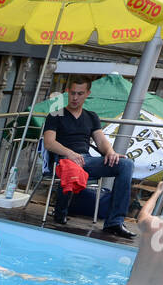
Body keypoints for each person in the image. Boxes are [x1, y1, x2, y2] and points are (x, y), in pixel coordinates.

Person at [43, 76, 136, 239]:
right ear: (67, 92)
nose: (75, 97)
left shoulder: (91, 116)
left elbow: (101, 141)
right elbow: (49, 143)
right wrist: (70, 153)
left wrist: (110, 152)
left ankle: (114, 222)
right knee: (73, 167)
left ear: (87, 94)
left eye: (80, 93)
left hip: (86, 160)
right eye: (72, 93)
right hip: (63, 160)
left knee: (126, 164)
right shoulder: (55, 114)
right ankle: (60, 212)